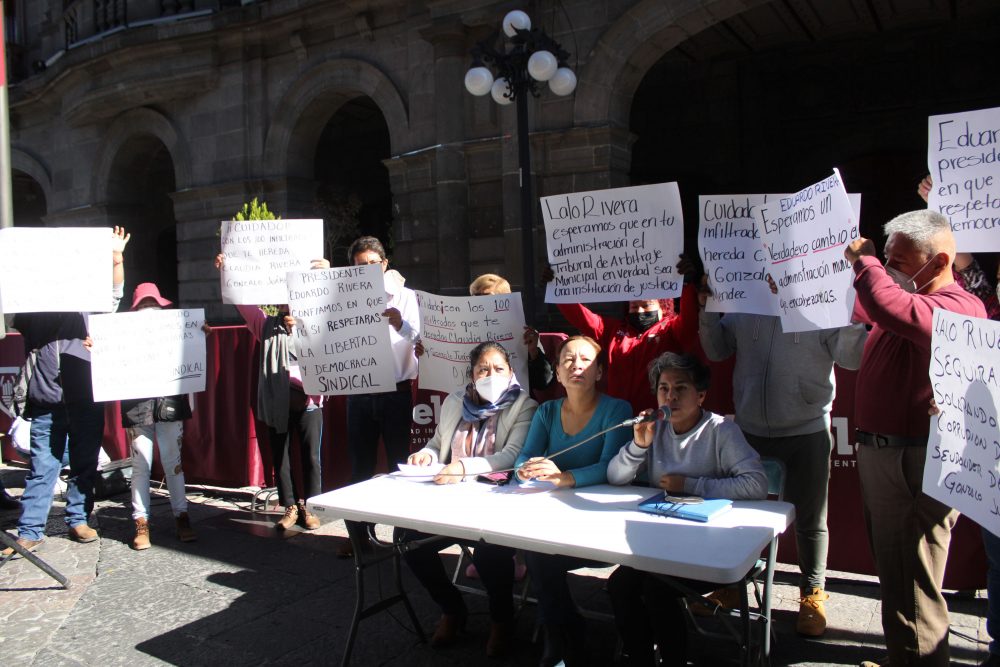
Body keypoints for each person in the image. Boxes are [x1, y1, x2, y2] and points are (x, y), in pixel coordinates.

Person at [846, 210, 986, 667]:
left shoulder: (958, 307)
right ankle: (904, 657)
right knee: (898, 576)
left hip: (913, 463)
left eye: (898, 260)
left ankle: (920, 659)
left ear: (939, 261)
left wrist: (865, 262)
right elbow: (861, 304)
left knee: (913, 584)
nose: (887, 267)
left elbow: (886, 303)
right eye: (885, 257)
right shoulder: (910, 298)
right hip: (890, 457)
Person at [697, 279, 867, 636]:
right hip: (750, 429)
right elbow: (716, 350)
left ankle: (812, 592)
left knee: (809, 518)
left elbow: (851, 358)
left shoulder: (821, 300)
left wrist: (852, 314)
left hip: (806, 428)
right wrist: (709, 311)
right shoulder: (745, 296)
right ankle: (734, 584)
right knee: (739, 514)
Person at [606, 352, 767, 667]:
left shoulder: (721, 430)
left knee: (657, 589)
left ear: (701, 395)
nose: (671, 396)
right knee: (620, 585)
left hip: (714, 544)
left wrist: (691, 485)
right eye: (664, 388)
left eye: (681, 388)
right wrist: (639, 446)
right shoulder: (656, 428)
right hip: (663, 542)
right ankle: (639, 657)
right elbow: (615, 477)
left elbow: (756, 484)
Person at [396, 341, 538, 657]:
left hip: (496, 500)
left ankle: (502, 621)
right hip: (449, 500)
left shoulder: (524, 406)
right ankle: (452, 608)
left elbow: (512, 456)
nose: (491, 375)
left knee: (489, 554)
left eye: (499, 368)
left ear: (511, 372)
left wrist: (463, 467)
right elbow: (437, 443)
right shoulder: (455, 401)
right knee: (406, 539)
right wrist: (424, 454)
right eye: (483, 369)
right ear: (471, 375)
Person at [1, 227, 129, 557]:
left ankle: (77, 518)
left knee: (85, 462)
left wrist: (116, 257)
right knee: (43, 466)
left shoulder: (88, 304)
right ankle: (30, 530)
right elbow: (12, 302)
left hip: (85, 397)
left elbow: (114, 294)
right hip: (46, 400)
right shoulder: (31, 310)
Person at [513, 335, 633, 667]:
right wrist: (525, 471)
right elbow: (525, 456)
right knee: (537, 552)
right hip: (551, 517)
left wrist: (563, 477)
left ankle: (559, 634)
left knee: (540, 556)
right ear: (557, 372)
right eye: (567, 360)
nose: (576, 365)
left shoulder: (617, 410)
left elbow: (611, 469)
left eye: (585, 360)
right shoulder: (547, 411)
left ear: (599, 372)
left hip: (598, 524)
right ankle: (563, 633)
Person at [214, 253, 326, 531]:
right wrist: (227, 270)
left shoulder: (319, 321)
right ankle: (289, 505)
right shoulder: (264, 325)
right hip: (278, 401)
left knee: (311, 456)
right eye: (282, 298)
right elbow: (242, 303)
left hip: (310, 400)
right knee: (282, 455)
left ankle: (310, 506)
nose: (287, 302)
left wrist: (326, 272)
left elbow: (336, 303)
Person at [552, 260, 702, 414]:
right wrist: (556, 287)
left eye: (646, 306)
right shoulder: (613, 330)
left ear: (662, 307)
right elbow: (580, 317)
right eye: (634, 307)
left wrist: (687, 285)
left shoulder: (671, 330)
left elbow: (690, 321)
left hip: (657, 419)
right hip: (617, 418)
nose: (640, 311)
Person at [117, 283, 200, 549]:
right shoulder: (124, 334)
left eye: (152, 305)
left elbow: (191, 355)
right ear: (136, 309)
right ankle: (141, 522)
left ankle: (181, 515)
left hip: (168, 402)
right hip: (139, 404)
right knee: (142, 464)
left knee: (173, 462)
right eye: (145, 305)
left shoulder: (175, 330)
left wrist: (200, 335)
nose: (149, 310)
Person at [345, 236, 421, 483]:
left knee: (399, 467)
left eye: (373, 263)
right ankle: (359, 524)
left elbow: (422, 340)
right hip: (359, 394)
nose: (368, 269)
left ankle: (402, 523)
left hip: (396, 394)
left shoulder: (407, 297)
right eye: (360, 265)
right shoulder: (341, 301)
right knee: (360, 468)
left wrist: (401, 324)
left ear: (385, 264)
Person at [414, 273, 554, 390]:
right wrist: (427, 354)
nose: (479, 301)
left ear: (504, 300)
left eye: (486, 296)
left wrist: (533, 352)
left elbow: (543, 382)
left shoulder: (524, 334)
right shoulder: (460, 332)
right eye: (475, 296)